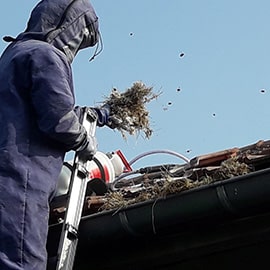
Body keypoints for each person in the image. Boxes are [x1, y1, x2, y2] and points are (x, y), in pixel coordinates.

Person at [0, 0, 111, 269]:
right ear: (70, 27)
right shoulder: (46, 56)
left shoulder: (13, 54)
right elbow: (58, 120)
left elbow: (37, 105)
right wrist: (85, 141)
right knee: (22, 263)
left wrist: (99, 115)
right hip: (21, 182)